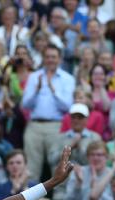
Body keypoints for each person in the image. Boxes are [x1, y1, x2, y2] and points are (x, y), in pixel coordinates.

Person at [21, 44, 75, 181]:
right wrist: (37, 89)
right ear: (43, 59)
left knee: (58, 164)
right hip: (34, 125)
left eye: (54, 57)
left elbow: (68, 106)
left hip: (56, 126)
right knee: (31, 167)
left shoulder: (67, 78)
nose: (50, 60)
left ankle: (58, 199)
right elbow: (25, 104)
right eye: (47, 57)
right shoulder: (34, 77)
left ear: (60, 59)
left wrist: (53, 89)